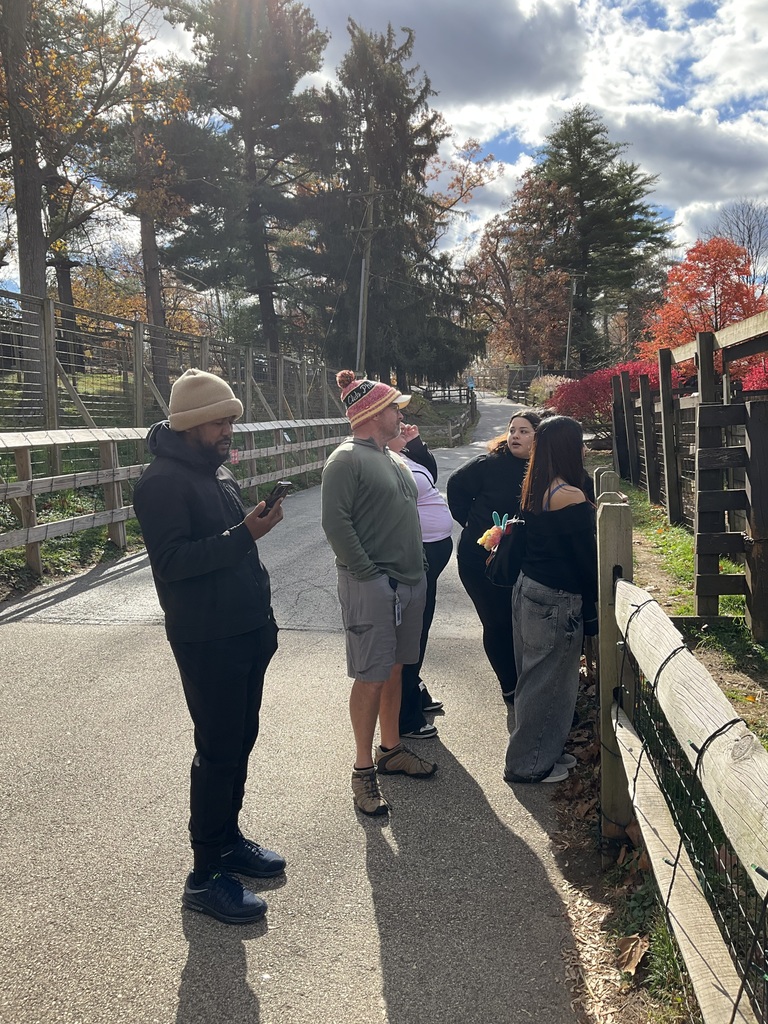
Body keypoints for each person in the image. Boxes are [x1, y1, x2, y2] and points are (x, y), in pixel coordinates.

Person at [133, 368, 286, 925]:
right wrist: (246, 533)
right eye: (220, 421)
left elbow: (231, 549)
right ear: (193, 424)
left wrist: (262, 612)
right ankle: (204, 874)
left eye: (230, 420)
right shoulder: (161, 483)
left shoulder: (213, 473)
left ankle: (227, 839)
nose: (228, 429)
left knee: (240, 739)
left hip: (246, 630)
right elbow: (172, 565)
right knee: (218, 749)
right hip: (207, 638)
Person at [321, 370, 436, 817]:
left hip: (407, 582)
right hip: (373, 585)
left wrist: (416, 571)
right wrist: (368, 574)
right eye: (394, 407)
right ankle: (363, 771)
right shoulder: (345, 460)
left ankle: (391, 750)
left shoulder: (388, 456)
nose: (399, 414)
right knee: (371, 675)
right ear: (371, 413)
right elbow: (336, 524)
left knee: (394, 670)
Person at [503, 415, 598, 785]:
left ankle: (542, 751)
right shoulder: (570, 495)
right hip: (556, 599)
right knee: (550, 684)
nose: (585, 449)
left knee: (534, 677)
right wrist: (593, 607)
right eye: (580, 443)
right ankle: (527, 765)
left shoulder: (535, 484)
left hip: (529, 589)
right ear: (567, 449)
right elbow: (584, 558)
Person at [446, 410, 541, 705]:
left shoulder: (543, 469)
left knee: (519, 624)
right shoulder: (489, 465)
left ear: (539, 438)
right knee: (497, 622)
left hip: (519, 561)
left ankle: (525, 683)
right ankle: (509, 687)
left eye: (524, 431)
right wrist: (474, 525)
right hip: (479, 560)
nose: (515, 436)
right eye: (513, 430)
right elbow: (455, 487)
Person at [388, 423, 454, 738]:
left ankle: (414, 691)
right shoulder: (383, 459)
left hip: (429, 556)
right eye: (396, 420)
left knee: (420, 630)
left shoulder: (404, 456)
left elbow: (430, 474)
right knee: (412, 635)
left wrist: (414, 443)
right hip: (414, 557)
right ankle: (405, 716)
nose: (404, 424)